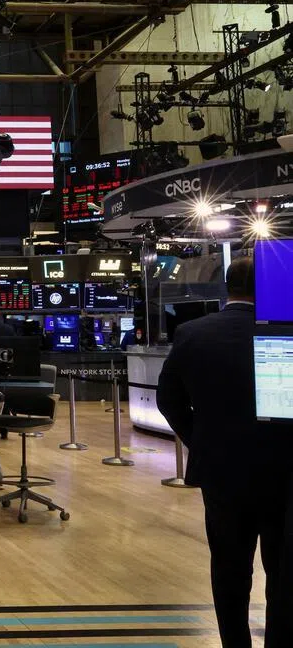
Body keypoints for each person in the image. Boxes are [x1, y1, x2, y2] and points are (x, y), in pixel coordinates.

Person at [157, 256, 292, 648]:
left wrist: (200, 439)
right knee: (282, 569)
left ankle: (235, 643)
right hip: (284, 469)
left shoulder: (191, 333)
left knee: (230, 567)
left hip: (222, 470)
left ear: (226, 287)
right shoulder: (286, 330)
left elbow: (169, 399)